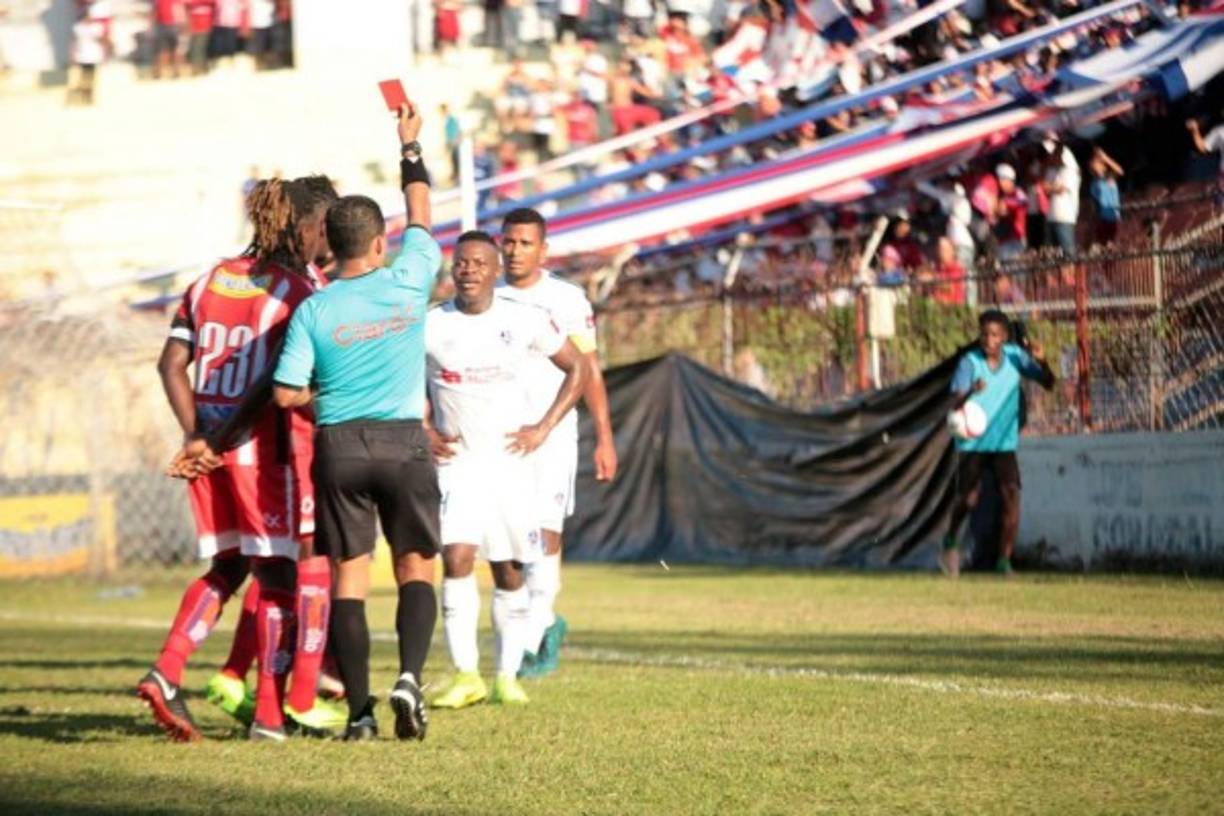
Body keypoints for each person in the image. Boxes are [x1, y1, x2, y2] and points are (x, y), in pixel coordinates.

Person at [269, 103, 442, 741]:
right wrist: (410, 146)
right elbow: (421, 209)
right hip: (403, 441)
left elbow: (287, 394)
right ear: (377, 244)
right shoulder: (409, 279)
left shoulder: (314, 310)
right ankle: (411, 678)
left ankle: (361, 713)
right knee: (417, 565)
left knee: (349, 576)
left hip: (339, 445)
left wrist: (331, 396)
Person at [138, 178, 330, 742]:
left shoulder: (210, 280)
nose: (329, 240)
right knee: (278, 576)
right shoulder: (295, 292)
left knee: (229, 568)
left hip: (209, 456)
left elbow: (171, 364)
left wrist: (197, 435)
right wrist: (220, 437)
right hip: (262, 457)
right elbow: (277, 381)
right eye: (325, 228)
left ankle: (168, 669)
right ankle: (270, 716)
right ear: (305, 228)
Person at [425, 231, 589, 709]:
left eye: (478, 263)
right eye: (461, 263)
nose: (468, 270)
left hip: (513, 464)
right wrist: (424, 428)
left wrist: (543, 428)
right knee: (456, 558)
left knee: (509, 569)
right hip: (458, 464)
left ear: (496, 271)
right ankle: (465, 675)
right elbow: (402, 380)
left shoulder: (524, 320)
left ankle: (505, 676)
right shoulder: (431, 325)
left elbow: (578, 369)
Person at [495, 207, 617, 678]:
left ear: (543, 249)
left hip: (553, 433)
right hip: (500, 436)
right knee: (507, 540)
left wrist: (604, 437)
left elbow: (589, 368)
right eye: (508, 241)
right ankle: (534, 625)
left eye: (525, 243)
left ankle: (537, 634)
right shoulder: (487, 295)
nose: (514, 250)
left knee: (545, 531)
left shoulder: (564, 298)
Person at [940, 310, 1055, 578]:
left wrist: (1043, 361)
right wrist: (971, 391)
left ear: (1004, 337)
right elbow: (954, 403)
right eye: (983, 334)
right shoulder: (970, 363)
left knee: (1012, 497)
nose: (987, 339)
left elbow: (1048, 383)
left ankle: (1004, 562)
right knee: (968, 500)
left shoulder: (1016, 357)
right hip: (973, 442)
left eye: (993, 335)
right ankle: (950, 540)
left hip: (1004, 442)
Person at [1087, 146, 1123, 247]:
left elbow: (1120, 171)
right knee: (1103, 247)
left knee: (1113, 246)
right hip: (1102, 219)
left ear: (1103, 166)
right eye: (1093, 164)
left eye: (1098, 163)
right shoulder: (1094, 183)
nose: (1095, 166)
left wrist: (1105, 157)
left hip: (1114, 217)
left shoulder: (1110, 177)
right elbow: (1094, 203)